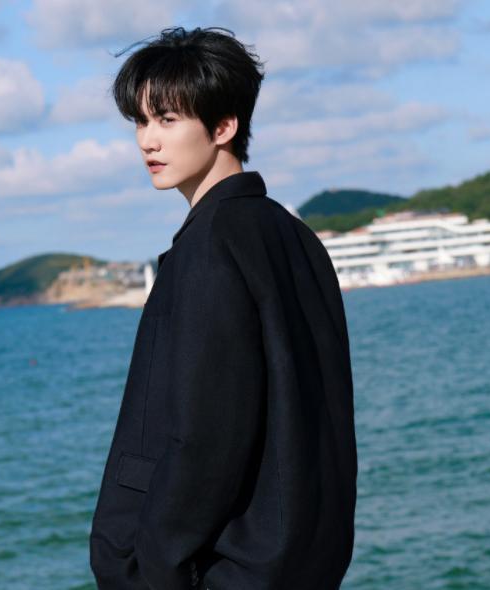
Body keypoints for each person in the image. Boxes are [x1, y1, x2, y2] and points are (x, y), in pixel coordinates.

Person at [89, 26, 357, 590]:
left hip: (222, 573)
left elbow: (204, 435)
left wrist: (153, 568)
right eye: (140, 121)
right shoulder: (294, 236)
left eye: (167, 119)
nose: (147, 142)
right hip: (299, 564)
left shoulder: (210, 247)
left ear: (223, 127)